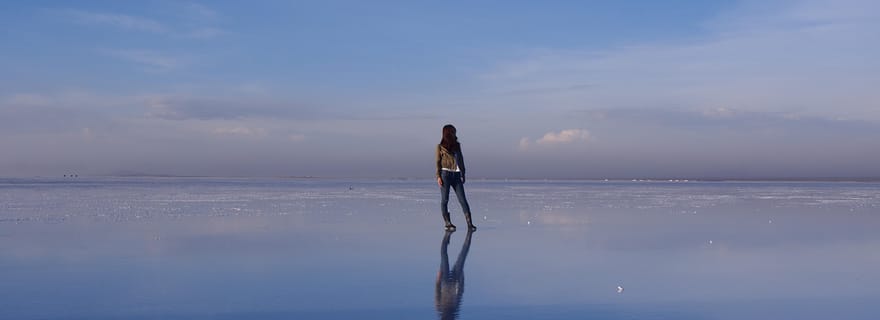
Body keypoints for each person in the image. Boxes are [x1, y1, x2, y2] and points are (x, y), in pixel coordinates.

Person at [436, 124, 476, 231]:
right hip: (445, 175)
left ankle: (470, 224)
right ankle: (448, 223)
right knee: (445, 200)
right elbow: (437, 162)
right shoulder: (440, 147)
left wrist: (463, 172)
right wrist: (438, 176)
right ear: (448, 133)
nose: (455, 134)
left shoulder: (457, 146)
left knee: (463, 200)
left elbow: (461, 159)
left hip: (456, 175)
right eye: (454, 132)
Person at [435, 230, 474, 319]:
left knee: (444, 255)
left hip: (445, 281)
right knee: (463, 255)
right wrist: (462, 279)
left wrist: (438, 279)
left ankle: (446, 236)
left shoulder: (440, 308)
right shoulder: (454, 309)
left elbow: (437, 292)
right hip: (455, 280)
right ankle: (468, 236)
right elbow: (460, 293)